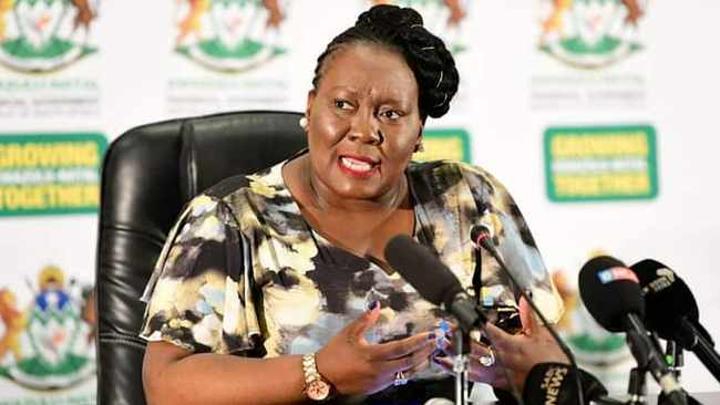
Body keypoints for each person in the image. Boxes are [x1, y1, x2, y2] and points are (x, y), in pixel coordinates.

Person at [139, 4, 564, 404]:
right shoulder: (231, 218)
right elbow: (167, 385)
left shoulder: (468, 198)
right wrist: (319, 370)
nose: (364, 130)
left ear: (419, 132)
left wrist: (520, 371)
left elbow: (548, 354)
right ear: (311, 107)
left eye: (391, 114)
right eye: (343, 105)